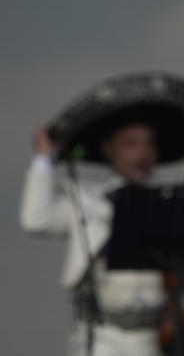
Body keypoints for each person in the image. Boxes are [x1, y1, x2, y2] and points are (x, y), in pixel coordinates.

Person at [20, 123, 165, 356]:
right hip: (103, 336)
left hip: (155, 338)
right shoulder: (87, 200)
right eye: (131, 144)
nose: (142, 154)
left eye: (149, 144)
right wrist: (43, 158)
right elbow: (36, 220)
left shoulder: (166, 208)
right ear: (109, 149)